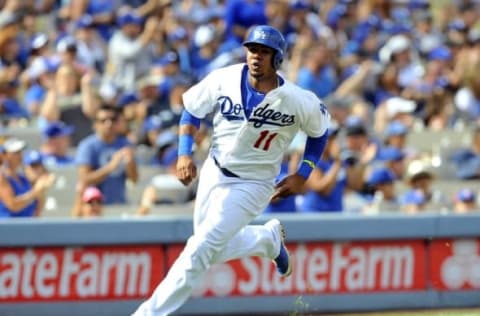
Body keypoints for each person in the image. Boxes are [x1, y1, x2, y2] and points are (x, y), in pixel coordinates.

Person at [132, 25, 331, 316]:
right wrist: (184, 153)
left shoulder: (296, 99)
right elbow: (191, 109)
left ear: (278, 58)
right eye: (252, 49)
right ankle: (266, 240)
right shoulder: (224, 78)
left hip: (255, 183)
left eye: (265, 52)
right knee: (208, 250)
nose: (256, 56)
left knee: (199, 249)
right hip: (214, 170)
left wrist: (304, 172)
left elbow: (320, 131)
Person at [75, 105, 138, 204]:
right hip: (95, 206)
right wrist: (111, 167)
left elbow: (134, 179)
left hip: (119, 204)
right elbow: (84, 179)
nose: (109, 124)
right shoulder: (87, 146)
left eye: (113, 119)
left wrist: (130, 164)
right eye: (103, 120)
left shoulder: (124, 144)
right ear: (95, 124)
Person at [0, 138, 55, 218]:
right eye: (15, 153)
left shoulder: (23, 179)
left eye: (20, 152)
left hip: (25, 227)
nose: (19, 155)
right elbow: (13, 205)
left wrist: (42, 189)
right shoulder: (2, 178)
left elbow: (37, 209)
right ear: (4, 155)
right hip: (8, 228)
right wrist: (36, 191)